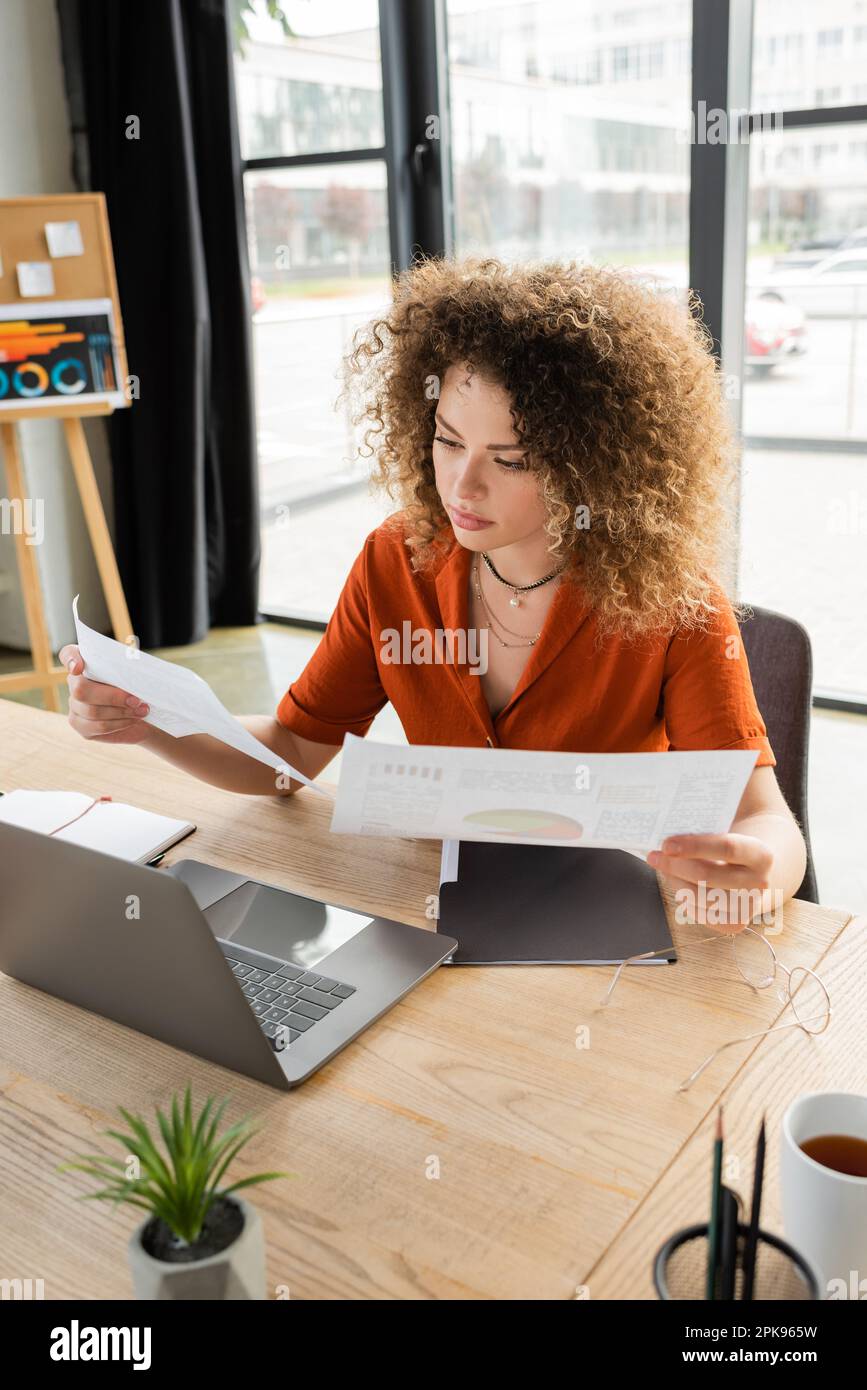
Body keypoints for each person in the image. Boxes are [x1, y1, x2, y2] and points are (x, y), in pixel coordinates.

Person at [60, 256, 807, 926]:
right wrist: (147, 723)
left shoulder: (675, 602)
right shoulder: (397, 561)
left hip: (609, 922)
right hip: (429, 911)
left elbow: (764, 818)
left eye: (509, 460)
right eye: (447, 439)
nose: (461, 483)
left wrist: (764, 868)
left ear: (593, 468)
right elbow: (290, 753)